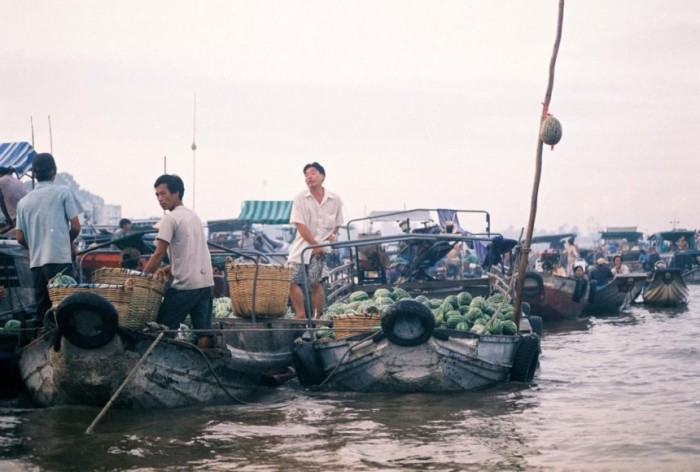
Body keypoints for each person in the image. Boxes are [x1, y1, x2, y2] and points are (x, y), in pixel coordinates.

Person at [143, 174, 214, 349]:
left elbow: (158, 254)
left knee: (162, 328)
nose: (160, 199)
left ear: (177, 193)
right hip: (206, 283)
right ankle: (202, 367)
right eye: (157, 195)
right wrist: (170, 268)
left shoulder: (171, 218)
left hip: (185, 286)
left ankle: (162, 362)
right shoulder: (193, 216)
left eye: (163, 193)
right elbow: (190, 252)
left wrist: (142, 277)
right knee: (202, 331)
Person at [15, 153, 82, 323]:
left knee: (43, 312)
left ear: (34, 174)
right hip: (59, 260)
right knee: (65, 310)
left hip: (37, 264)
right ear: (54, 171)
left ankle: (46, 345)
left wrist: (36, 246)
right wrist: (67, 242)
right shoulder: (63, 192)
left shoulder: (23, 202)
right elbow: (75, 226)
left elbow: (20, 238)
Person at [287, 162, 344, 320]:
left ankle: (317, 317)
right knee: (291, 280)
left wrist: (331, 236)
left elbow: (338, 222)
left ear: (322, 176)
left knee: (315, 283)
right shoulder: (300, 198)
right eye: (306, 174)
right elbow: (299, 224)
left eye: (312, 173)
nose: (309, 177)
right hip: (302, 245)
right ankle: (300, 314)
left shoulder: (335, 199)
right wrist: (314, 244)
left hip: (322, 247)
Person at [0, 166, 28, 232]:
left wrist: (10, 223)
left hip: (16, 219)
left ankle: (10, 223)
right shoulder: (18, 181)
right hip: (26, 215)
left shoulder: (1, 181)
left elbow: (2, 203)